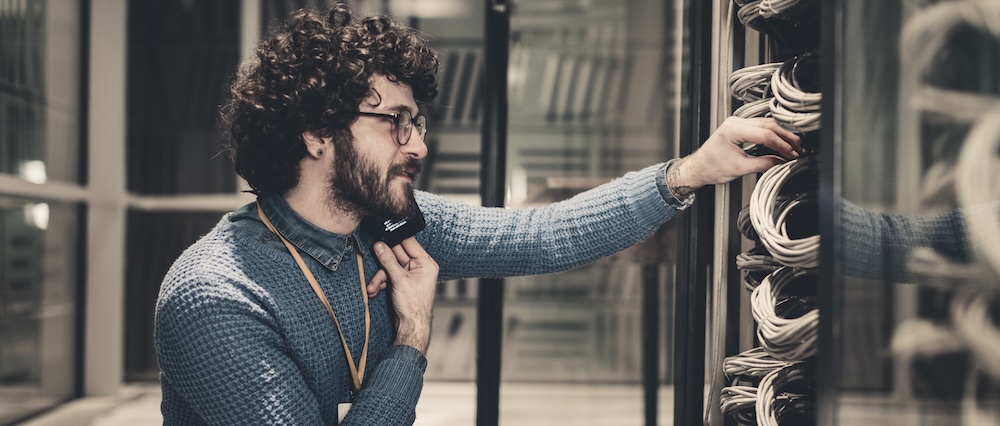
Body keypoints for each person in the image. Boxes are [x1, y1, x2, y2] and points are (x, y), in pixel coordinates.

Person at [153, 3, 802, 425]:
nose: (419, 144)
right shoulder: (217, 296)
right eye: (395, 123)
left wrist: (689, 171)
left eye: (419, 122)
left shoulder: (385, 222)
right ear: (316, 134)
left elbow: (543, 235)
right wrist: (410, 339)